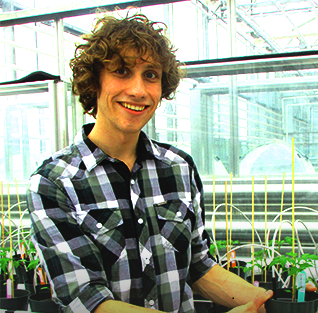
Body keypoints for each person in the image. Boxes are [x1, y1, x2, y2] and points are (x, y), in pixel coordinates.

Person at [28, 11, 303, 313]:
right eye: (121, 71)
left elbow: (199, 265)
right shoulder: (55, 182)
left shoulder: (177, 167)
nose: (138, 90)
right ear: (95, 81)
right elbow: (88, 299)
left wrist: (260, 301)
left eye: (150, 75)